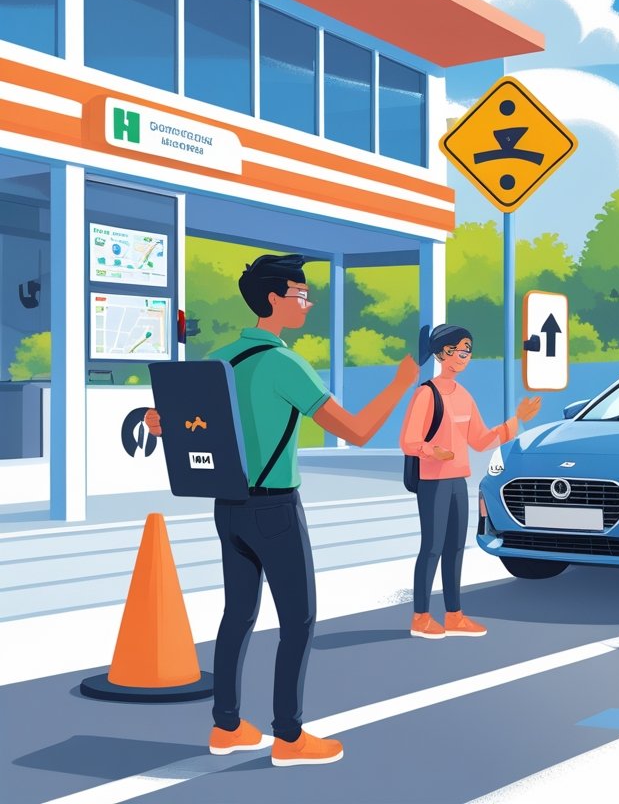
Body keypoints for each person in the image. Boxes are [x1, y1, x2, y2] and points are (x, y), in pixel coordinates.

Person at [145, 253, 419, 766]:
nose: (307, 303)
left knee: (238, 615)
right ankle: (289, 737)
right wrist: (403, 379)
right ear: (273, 299)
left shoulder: (221, 358)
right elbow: (358, 433)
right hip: (274, 509)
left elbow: (179, 424)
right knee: (298, 619)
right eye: (300, 294)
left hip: (227, 507)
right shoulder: (284, 363)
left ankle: (226, 726)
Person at [401, 324, 541, 640]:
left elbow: (479, 440)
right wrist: (431, 450)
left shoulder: (464, 396)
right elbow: (409, 440)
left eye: (468, 352)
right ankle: (421, 616)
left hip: (457, 482)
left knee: (455, 549)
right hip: (432, 481)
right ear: (442, 354)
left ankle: (454, 615)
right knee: (432, 547)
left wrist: (516, 421)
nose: (465, 357)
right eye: (460, 351)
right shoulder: (426, 393)